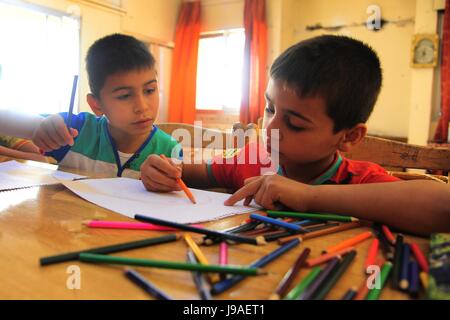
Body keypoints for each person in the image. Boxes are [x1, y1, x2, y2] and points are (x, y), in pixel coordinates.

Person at [140, 35, 450, 235]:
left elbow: (442, 206)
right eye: (270, 108)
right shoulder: (253, 159)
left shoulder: (360, 181)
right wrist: (164, 171)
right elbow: (188, 174)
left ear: (349, 137)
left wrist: (310, 196)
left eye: (296, 124)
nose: (272, 129)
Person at [0, 34, 181, 178]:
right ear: (96, 104)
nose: (142, 107)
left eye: (149, 90)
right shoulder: (75, 131)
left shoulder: (170, 149)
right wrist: (39, 126)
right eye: (125, 96)